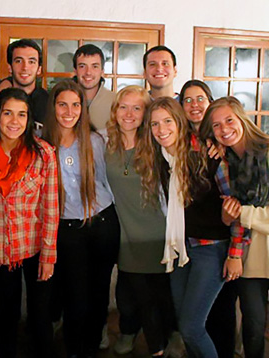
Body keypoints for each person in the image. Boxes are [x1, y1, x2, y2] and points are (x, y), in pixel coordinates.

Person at [200, 96, 269, 358]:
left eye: (229, 120)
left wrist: (240, 215)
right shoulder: (225, 163)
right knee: (251, 328)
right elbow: (224, 215)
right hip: (250, 258)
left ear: (242, 119)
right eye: (216, 125)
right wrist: (229, 218)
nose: (224, 128)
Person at [147, 96, 239, 358]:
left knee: (191, 327)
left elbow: (237, 208)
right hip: (181, 249)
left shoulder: (208, 156)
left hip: (212, 249)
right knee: (187, 323)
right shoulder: (163, 159)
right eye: (154, 124)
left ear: (179, 122)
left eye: (167, 122)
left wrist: (235, 253)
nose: (161, 130)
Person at [42, 80, 120, 357]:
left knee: (99, 292)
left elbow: (109, 181)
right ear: (53, 107)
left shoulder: (95, 140)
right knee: (74, 294)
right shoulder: (42, 145)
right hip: (67, 230)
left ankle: (92, 343)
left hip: (102, 223)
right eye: (63, 104)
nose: (69, 111)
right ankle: (75, 347)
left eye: (76, 105)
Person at [0, 87, 59, 358]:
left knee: (40, 314)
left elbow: (51, 207)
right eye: (8, 113)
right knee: (8, 312)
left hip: (36, 247)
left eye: (22, 115)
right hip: (0, 248)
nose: (14, 121)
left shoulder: (43, 153)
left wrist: (49, 255)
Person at [105, 86, 177, 357]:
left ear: (146, 114)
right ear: (115, 111)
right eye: (123, 106)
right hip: (126, 234)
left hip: (156, 232)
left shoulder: (158, 147)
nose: (129, 113)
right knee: (136, 296)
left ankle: (160, 346)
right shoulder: (104, 142)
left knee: (156, 297)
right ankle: (157, 342)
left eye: (137, 108)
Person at [0, 39, 49, 127]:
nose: (25, 67)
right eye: (19, 61)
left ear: (39, 69)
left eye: (31, 62)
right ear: (10, 67)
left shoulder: (49, 103)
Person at [72, 44, 115, 130]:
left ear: (102, 71)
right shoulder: (62, 99)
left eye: (95, 66)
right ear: (75, 70)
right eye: (82, 66)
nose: (88, 72)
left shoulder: (115, 102)